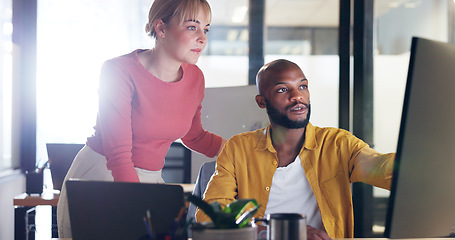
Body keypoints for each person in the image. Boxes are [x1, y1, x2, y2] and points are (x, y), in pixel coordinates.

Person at [57, 0, 227, 237]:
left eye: (206, 29)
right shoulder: (118, 71)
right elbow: (118, 156)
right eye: (192, 27)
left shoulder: (195, 78)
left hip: (150, 181)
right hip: (102, 178)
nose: (202, 37)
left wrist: (240, 148)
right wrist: (138, 207)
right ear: (161, 28)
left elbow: (193, 135)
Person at [195, 59, 395, 240]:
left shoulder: (337, 143)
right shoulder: (238, 148)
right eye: (283, 89)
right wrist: (277, 230)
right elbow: (209, 215)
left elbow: (382, 168)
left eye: (303, 86)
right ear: (261, 101)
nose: (297, 96)